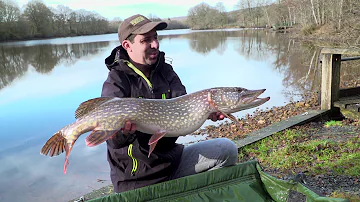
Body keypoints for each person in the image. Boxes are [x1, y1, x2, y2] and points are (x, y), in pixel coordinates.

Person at [101, 14, 238, 193]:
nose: (155, 45)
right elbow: (113, 142)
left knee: (227, 150)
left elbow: (183, 114)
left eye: (156, 38)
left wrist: (206, 112)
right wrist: (123, 133)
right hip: (136, 180)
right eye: (146, 40)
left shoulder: (166, 71)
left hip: (172, 163)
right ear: (128, 46)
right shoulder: (116, 80)